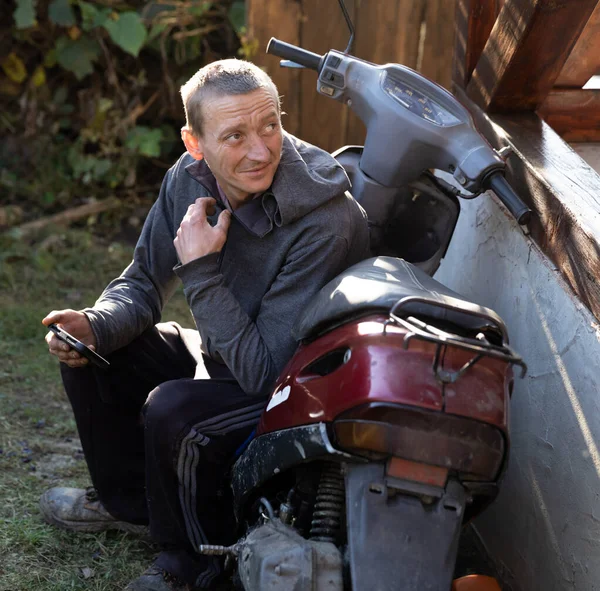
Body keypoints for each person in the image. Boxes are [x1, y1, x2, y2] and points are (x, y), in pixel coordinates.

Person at [39, 59, 370, 590]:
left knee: (175, 412)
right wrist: (96, 322)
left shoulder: (326, 222)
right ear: (195, 144)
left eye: (270, 126)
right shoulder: (187, 176)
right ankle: (133, 505)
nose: (261, 149)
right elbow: (143, 282)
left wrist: (200, 270)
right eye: (235, 135)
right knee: (95, 348)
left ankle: (190, 563)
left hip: (291, 389)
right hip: (222, 358)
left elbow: (265, 376)